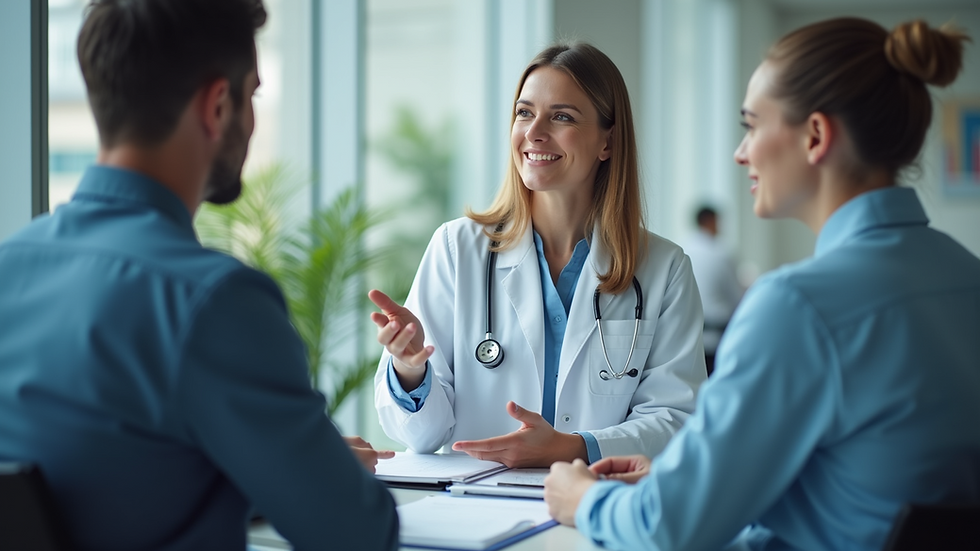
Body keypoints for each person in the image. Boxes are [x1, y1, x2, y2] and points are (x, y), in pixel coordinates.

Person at [543, 17, 980, 550]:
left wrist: (583, 498)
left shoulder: (799, 307)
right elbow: (873, 478)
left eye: (752, 125)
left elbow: (670, 530)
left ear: (815, 136)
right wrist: (676, 481)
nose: (741, 152)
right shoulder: (966, 277)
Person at [0, 1, 398, 549]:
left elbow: (93, 486)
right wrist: (305, 473)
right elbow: (359, 533)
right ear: (217, 106)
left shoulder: (10, 266)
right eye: (252, 94)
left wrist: (260, 471)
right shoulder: (213, 300)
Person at [368, 42, 706, 469]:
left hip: (594, 504)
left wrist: (576, 447)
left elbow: (675, 419)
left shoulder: (663, 268)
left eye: (561, 116)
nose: (534, 132)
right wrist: (411, 369)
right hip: (476, 507)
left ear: (608, 142)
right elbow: (422, 435)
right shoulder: (458, 249)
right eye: (524, 113)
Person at [683, 205, 744, 375]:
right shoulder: (721, 253)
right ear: (710, 222)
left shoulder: (682, 250)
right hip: (718, 340)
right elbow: (736, 300)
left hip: (689, 339)